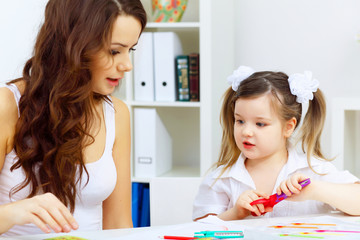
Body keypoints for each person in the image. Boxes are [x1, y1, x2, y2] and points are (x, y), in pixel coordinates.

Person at [0, 0, 146, 236]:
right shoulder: (7, 106)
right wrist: (14, 212)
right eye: (114, 51)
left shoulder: (117, 113)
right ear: (73, 46)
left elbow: (119, 225)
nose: (127, 65)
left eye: (132, 49)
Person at [192, 66, 360, 221]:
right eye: (240, 121)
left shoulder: (314, 170)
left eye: (260, 124)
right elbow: (198, 230)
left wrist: (314, 190)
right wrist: (235, 213)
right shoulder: (221, 179)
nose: (246, 132)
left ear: (288, 127)